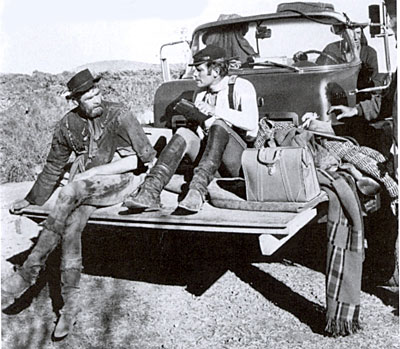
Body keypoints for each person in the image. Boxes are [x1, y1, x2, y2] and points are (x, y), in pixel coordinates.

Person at [2, 69, 156, 340]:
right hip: (85, 189)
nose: (97, 100)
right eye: (89, 97)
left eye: (98, 93)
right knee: (72, 227)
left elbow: (143, 161)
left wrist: (90, 173)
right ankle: (69, 311)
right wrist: (30, 199)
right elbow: (53, 166)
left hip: (122, 180)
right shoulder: (67, 124)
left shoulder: (120, 114)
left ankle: (29, 270)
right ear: (76, 101)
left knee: (71, 189)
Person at [124, 45, 259, 213]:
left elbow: (252, 126)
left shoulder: (241, 87)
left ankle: (197, 191)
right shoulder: (200, 94)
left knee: (219, 125)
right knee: (184, 133)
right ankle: (151, 190)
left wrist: (215, 113)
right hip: (210, 164)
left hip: (237, 164)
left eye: (199, 69)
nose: (195, 75)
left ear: (215, 70)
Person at [328, 0, 398, 288]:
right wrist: (354, 111)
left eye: (393, 19)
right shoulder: (332, 52)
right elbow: (384, 102)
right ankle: (385, 270)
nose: (391, 26)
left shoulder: (369, 53)